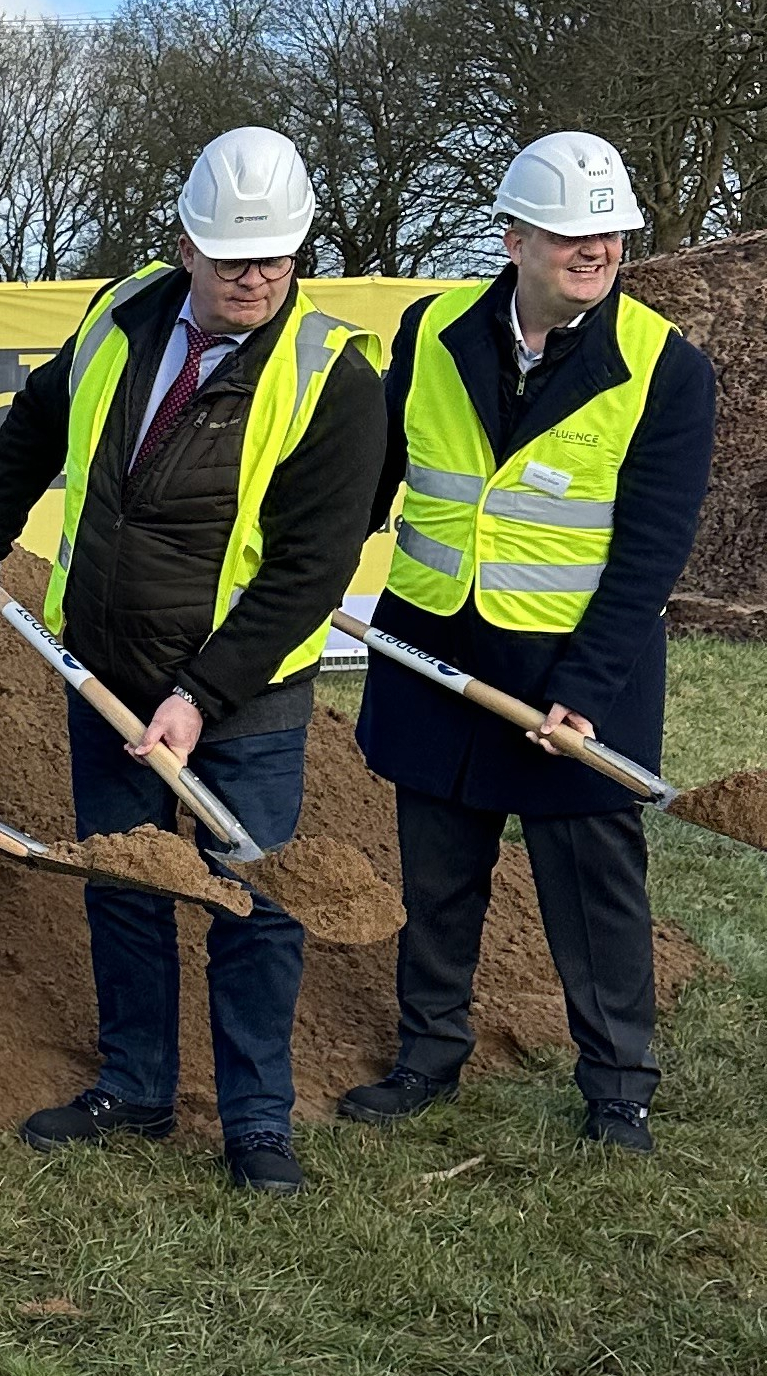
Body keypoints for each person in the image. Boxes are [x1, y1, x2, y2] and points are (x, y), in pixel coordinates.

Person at [0, 127, 386, 1195]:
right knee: (123, 882)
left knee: (250, 897)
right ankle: (136, 1083)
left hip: (240, 698)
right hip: (101, 673)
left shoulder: (333, 378)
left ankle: (256, 1119)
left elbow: (309, 569)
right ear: (183, 243)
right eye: (229, 255)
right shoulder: (120, 311)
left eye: (276, 256)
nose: (253, 276)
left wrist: (201, 696)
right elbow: (31, 428)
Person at [337, 132, 715, 1155]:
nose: (593, 250)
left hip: (575, 673)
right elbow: (371, 480)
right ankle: (426, 1055)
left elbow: (649, 554)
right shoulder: (430, 332)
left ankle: (616, 1088)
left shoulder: (664, 371)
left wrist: (586, 688)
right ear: (513, 238)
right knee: (437, 873)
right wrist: (313, 568)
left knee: (593, 890)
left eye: (608, 234)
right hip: (433, 654)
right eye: (568, 233)